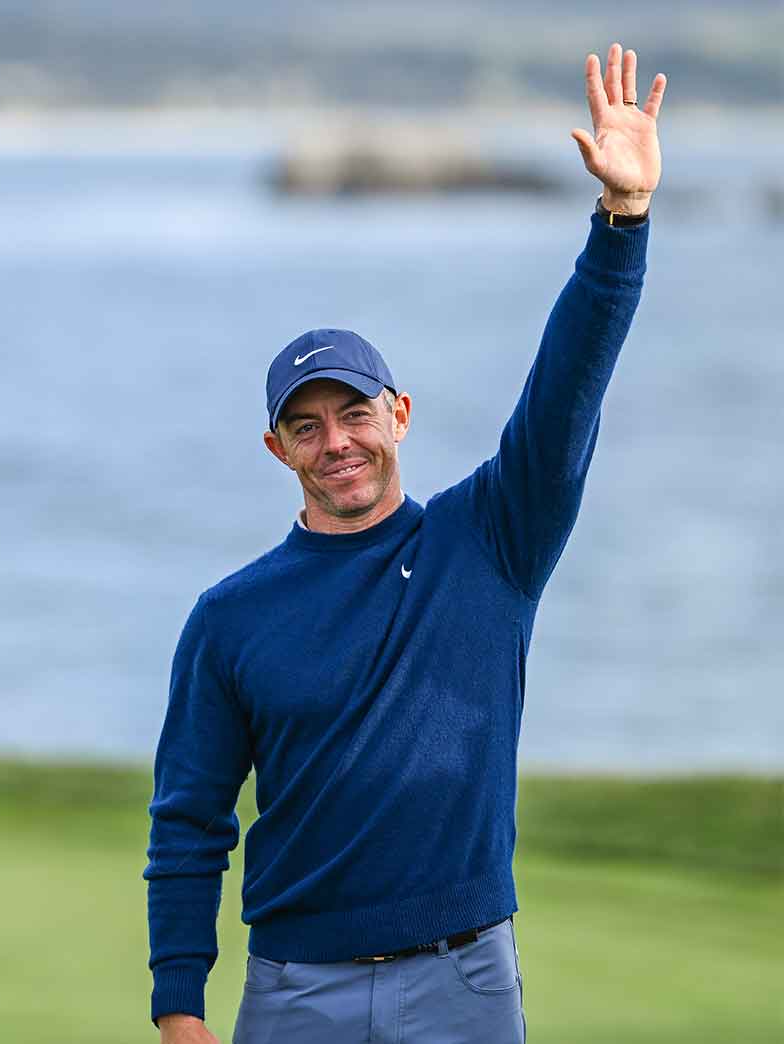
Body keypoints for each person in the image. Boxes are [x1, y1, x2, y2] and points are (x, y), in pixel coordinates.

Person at [145, 45, 665, 1044]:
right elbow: (189, 821)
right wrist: (177, 1005)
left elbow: (565, 389)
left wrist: (622, 219)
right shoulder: (228, 618)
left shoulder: (493, 537)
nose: (336, 442)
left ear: (400, 415)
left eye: (355, 413)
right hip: (294, 990)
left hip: (465, 980)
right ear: (277, 448)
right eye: (306, 426)